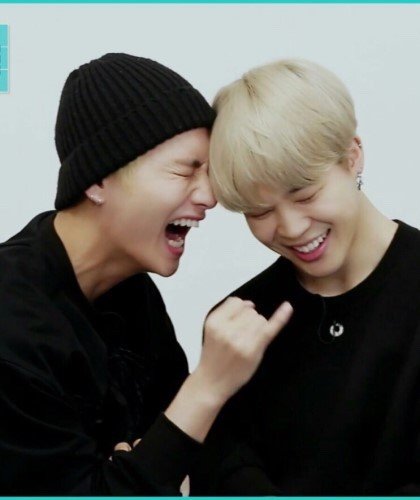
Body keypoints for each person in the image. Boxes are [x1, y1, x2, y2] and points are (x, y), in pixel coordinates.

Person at [0, 53, 293, 495]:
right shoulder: (12, 324)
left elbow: (186, 451)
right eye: (185, 170)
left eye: (209, 172)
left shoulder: (131, 292)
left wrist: (138, 464)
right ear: (97, 181)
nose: (211, 196)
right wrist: (209, 385)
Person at [190, 59, 420, 495]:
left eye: (305, 193)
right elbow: (223, 471)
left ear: (352, 156)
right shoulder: (237, 325)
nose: (292, 228)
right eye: (259, 211)